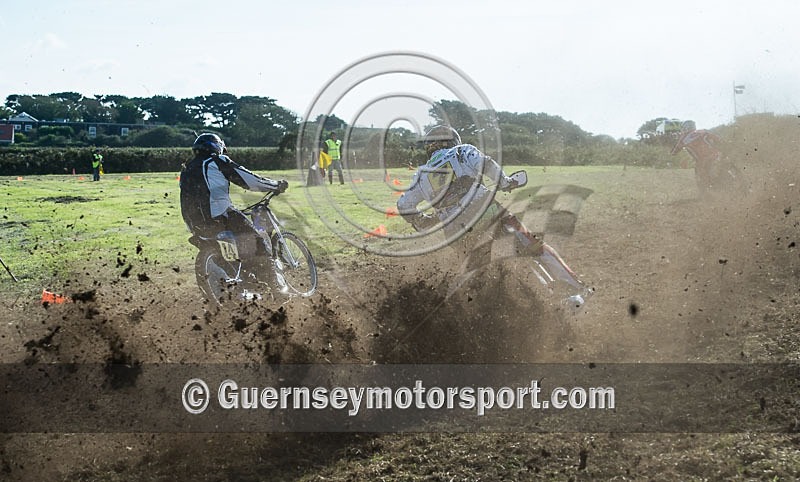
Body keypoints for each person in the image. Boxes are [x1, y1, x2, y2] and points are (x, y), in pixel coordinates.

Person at [397, 125, 592, 308]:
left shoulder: (421, 174)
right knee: (535, 247)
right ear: (452, 141)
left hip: (456, 235)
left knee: (482, 274)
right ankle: (577, 288)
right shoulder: (461, 151)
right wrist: (506, 182)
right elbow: (486, 164)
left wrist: (423, 221)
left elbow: (404, 205)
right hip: (487, 215)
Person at [179, 133, 288, 280]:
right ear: (217, 147)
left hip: (194, 223)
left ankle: (242, 275)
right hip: (219, 216)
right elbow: (250, 181)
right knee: (258, 242)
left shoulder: (186, 169)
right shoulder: (217, 161)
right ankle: (273, 285)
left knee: (240, 242)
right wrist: (275, 185)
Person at [670, 120, 724, 194]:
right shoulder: (703, 131)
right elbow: (718, 139)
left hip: (702, 160)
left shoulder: (683, 138)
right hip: (716, 154)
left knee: (700, 174)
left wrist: (672, 153)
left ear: (685, 128)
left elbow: (675, 151)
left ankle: (706, 192)